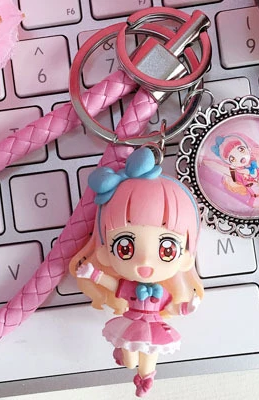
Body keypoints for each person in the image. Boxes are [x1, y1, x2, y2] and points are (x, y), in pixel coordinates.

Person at [69, 147, 203, 397]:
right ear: (104, 251)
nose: (145, 260)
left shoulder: (162, 292)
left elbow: (174, 307)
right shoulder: (130, 287)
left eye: (167, 249)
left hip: (155, 327)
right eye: (125, 247)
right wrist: (92, 273)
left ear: (186, 257)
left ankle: (146, 378)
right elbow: (111, 284)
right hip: (130, 323)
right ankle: (127, 359)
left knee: (148, 356)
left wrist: (189, 306)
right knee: (130, 361)